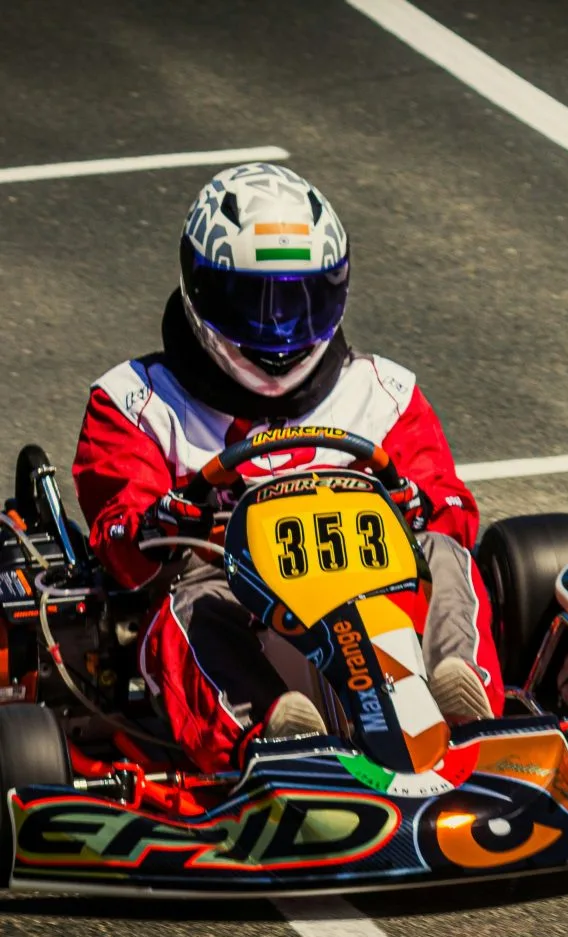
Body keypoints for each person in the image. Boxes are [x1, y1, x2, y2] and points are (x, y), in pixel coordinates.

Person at [72, 162, 503, 774]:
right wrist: (160, 521)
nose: (278, 330)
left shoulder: (380, 393)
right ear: (203, 291)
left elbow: (451, 508)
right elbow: (119, 541)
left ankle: (463, 699)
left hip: (376, 591)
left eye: (300, 300)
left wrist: (416, 504)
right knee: (190, 606)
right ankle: (271, 734)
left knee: (441, 551)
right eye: (253, 301)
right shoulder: (138, 404)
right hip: (233, 596)